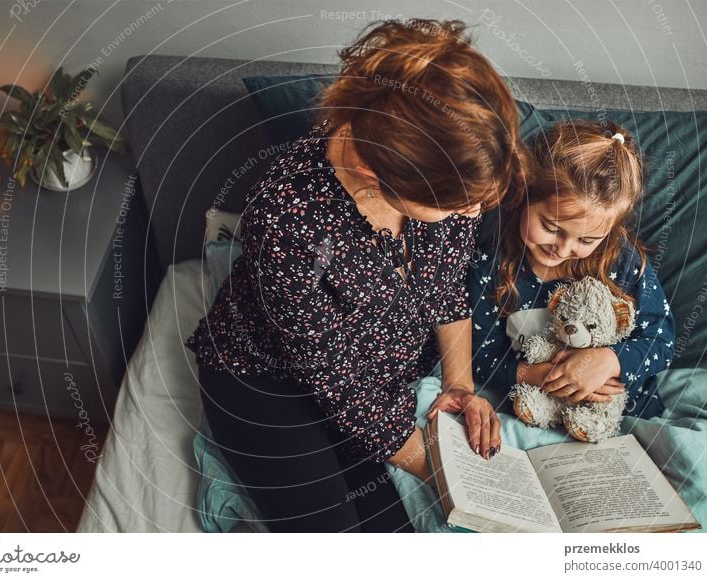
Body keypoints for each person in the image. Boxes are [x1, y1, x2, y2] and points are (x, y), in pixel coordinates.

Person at [185, 18, 530, 532]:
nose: (473, 212)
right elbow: (342, 387)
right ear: (374, 171)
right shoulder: (287, 218)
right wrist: (458, 478)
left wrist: (459, 383)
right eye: (457, 205)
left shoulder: (449, 177)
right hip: (267, 379)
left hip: (374, 383)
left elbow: (445, 285)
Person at [469, 119, 675, 423]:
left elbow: (662, 340)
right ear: (524, 194)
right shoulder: (491, 265)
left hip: (623, 416)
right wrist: (535, 375)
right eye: (551, 228)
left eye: (586, 240)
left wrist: (610, 361)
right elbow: (479, 357)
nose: (563, 250)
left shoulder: (622, 262)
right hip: (532, 409)